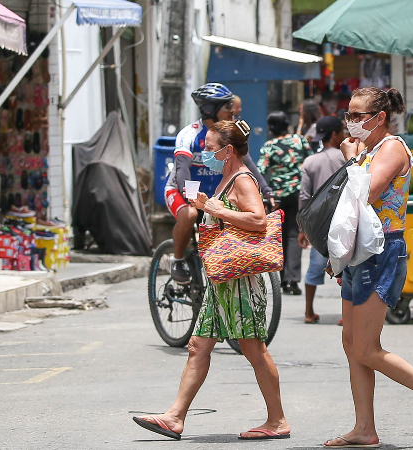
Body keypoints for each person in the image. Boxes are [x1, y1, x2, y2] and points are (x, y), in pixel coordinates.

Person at [134, 120, 289, 440]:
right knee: (196, 346)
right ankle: (175, 417)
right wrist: (207, 206)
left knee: (254, 349)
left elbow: (258, 220)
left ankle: (277, 421)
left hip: (240, 281)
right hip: (220, 280)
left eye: (209, 148)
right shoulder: (226, 178)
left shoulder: (243, 179)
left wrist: (218, 210)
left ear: (228, 150)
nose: (203, 153)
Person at [324, 87, 413, 448]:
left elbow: (363, 194)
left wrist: (351, 161)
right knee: (351, 343)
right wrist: (336, 254)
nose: (350, 122)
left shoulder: (392, 148)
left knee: (366, 347)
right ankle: (364, 428)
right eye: (348, 115)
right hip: (358, 252)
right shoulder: (368, 150)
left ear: (379, 118)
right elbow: (350, 211)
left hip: (381, 251)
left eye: (358, 115)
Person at [164, 83, 271, 284]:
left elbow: (245, 164)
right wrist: (191, 194)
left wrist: (267, 190)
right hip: (182, 189)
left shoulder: (227, 133)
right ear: (209, 110)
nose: (232, 109)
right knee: (189, 214)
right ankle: (178, 260)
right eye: (226, 106)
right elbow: (182, 169)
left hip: (212, 195)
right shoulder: (189, 135)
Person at [257, 111, 313, 295]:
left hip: (277, 198)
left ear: (271, 128)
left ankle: (281, 280)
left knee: (278, 237)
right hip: (299, 194)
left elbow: (260, 170)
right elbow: (310, 161)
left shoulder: (269, 146)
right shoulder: (300, 141)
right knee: (294, 234)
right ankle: (292, 281)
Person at [298, 116, 346, 324]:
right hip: (344, 218)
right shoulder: (347, 158)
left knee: (315, 267)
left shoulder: (310, 161)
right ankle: (346, 315)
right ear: (335, 134)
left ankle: (309, 312)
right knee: (347, 267)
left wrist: (303, 228)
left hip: (318, 223)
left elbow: (304, 196)